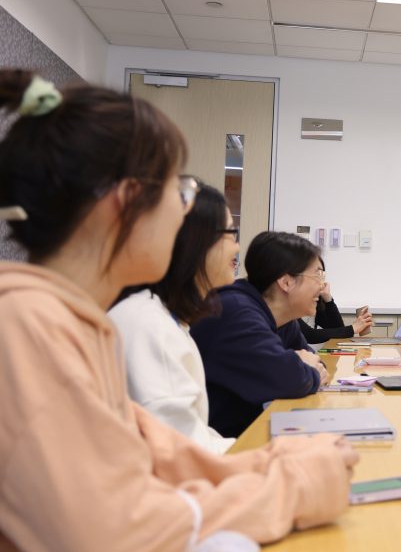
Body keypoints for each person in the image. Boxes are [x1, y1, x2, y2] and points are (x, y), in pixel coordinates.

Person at [0, 70, 358, 550]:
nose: (187, 212)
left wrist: (285, 460)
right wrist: (294, 484)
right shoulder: (28, 327)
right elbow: (117, 531)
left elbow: (167, 456)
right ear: (124, 202)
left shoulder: (79, 321)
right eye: (180, 191)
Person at [108, 182, 240, 453]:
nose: (238, 249)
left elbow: (192, 433)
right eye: (232, 234)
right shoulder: (148, 325)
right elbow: (180, 452)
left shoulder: (164, 318)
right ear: (195, 240)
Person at [191, 231, 333, 438]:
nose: (322, 286)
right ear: (286, 282)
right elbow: (291, 379)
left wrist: (304, 367)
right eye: (317, 275)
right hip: (217, 446)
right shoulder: (235, 312)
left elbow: (316, 365)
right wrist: (302, 367)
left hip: (247, 432)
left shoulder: (283, 318)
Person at [297, 256, 374, 344]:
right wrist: (353, 328)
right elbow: (309, 335)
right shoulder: (288, 303)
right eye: (316, 275)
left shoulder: (314, 300)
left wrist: (327, 298)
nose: (321, 282)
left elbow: (337, 327)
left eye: (322, 275)